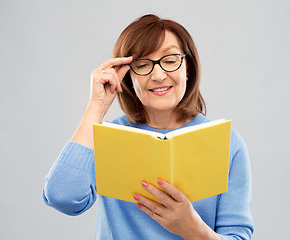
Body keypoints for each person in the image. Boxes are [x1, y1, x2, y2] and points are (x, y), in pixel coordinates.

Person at [43, 14, 254, 240]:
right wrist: (96, 107)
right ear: (127, 75)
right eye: (142, 65)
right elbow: (62, 197)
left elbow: (238, 236)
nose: (159, 75)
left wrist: (191, 227)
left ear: (188, 68)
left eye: (170, 60)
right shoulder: (108, 138)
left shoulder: (228, 143)